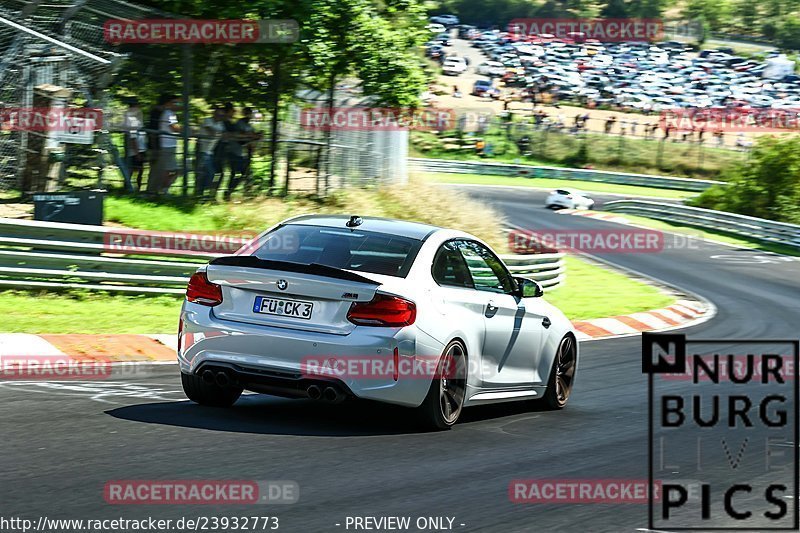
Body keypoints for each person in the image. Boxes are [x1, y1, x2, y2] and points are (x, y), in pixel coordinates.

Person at [150, 94, 181, 194]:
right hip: (167, 145)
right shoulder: (169, 113)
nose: (178, 105)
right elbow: (174, 127)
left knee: (169, 170)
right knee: (168, 170)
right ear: (168, 103)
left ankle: (161, 190)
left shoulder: (168, 113)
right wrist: (188, 130)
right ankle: (162, 190)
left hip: (169, 145)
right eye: (175, 102)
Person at [196, 106, 226, 197]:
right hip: (202, 150)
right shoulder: (207, 120)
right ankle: (202, 192)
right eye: (218, 114)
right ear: (214, 113)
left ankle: (202, 193)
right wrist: (220, 134)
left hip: (209, 152)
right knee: (209, 173)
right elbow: (211, 131)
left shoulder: (221, 124)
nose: (219, 117)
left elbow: (223, 135)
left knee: (206, 173)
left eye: (221, 115)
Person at [122, 97, 147, 192]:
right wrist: (137, 153)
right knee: (133, 170)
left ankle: (134, 189)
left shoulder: (134, 117)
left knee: (139, 170)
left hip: (139, 148)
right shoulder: (131, 118)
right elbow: (132, 137)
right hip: (136, 150)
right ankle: (130, 189)